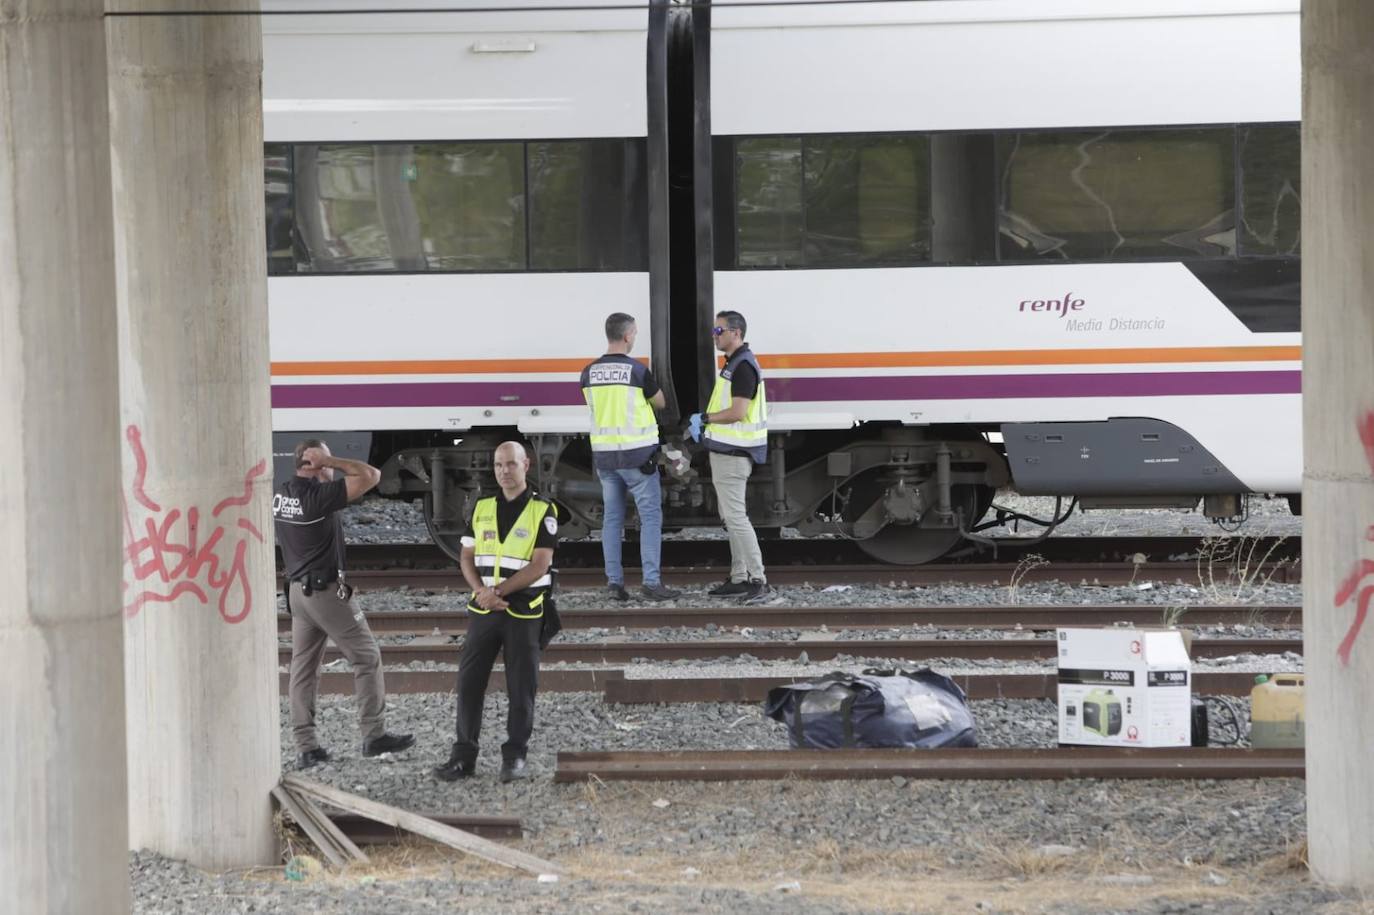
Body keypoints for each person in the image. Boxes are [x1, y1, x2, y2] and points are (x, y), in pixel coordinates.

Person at [274, 439, 415, 769]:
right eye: (321, 461)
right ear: (313, 462)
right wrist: (331, 460)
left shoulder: (283, 493)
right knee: (367, 657)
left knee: (303, 670)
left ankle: (306, 747)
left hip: (298, 593)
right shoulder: (317, 497)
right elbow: (371, 475)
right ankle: (374, 734)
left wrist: (321, 467)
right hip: (324, 594)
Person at [434, 441, 559, 783]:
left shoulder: (542, 510)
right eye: (499, 465)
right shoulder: (482, 507)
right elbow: (466, 556)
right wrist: (480, 592)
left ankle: (515, 756)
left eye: (511, 464)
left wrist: (498, 592)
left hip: (523, 611)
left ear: (526, 466)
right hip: (484, 610)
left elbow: (540, 564)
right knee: (469, 683)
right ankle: (463, 758)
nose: (504, 471)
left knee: (521, 688)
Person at [580, 313, 681, 602]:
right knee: (649, 518)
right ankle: (651, 583)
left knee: (612, 519)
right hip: (637, 457)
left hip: (605, 459)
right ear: (627, 336)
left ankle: (614, 584)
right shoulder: (637, 371)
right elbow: (660, 401)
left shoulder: (588, 372)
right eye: (634, 333)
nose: (634, 338)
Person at [688, 310, 772, 604]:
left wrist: (706, 418)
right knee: (730, 516)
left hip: (734, 453)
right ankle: (739, 578)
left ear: (736, 332)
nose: (715, 335)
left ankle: (759, 580)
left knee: (736, 517)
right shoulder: (734, 364)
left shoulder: (743, 366)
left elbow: (738, 412)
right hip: (727, 451)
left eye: (718, 330)